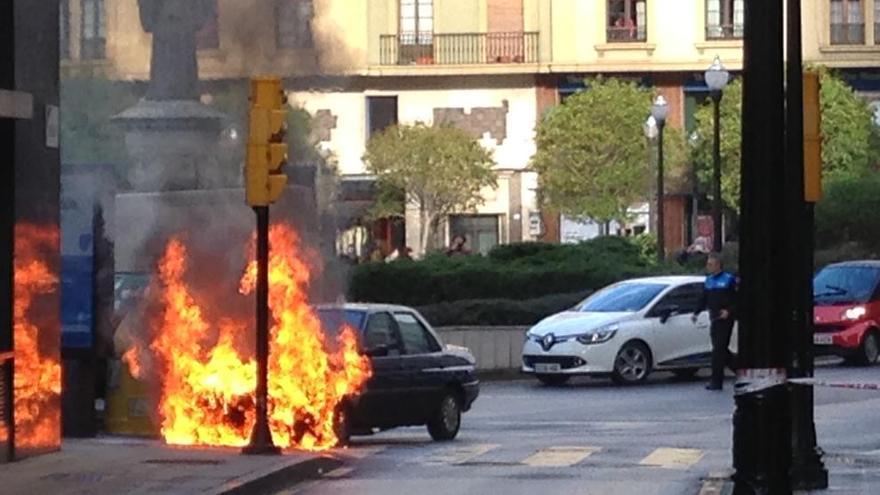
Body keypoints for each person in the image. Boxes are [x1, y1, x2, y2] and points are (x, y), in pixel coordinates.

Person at [692, 253, 737, 391]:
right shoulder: (709, 280)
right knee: (721, 349)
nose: (708, 266)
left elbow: (737, 299)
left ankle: (716, 381)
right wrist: (696, 312)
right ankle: (740, 369)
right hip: (714, 318)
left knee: (718, 350)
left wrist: (729, 311)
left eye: (710, 264)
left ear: (718, 265)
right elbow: (703, 299)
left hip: (725, 318)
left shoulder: (729, 279)